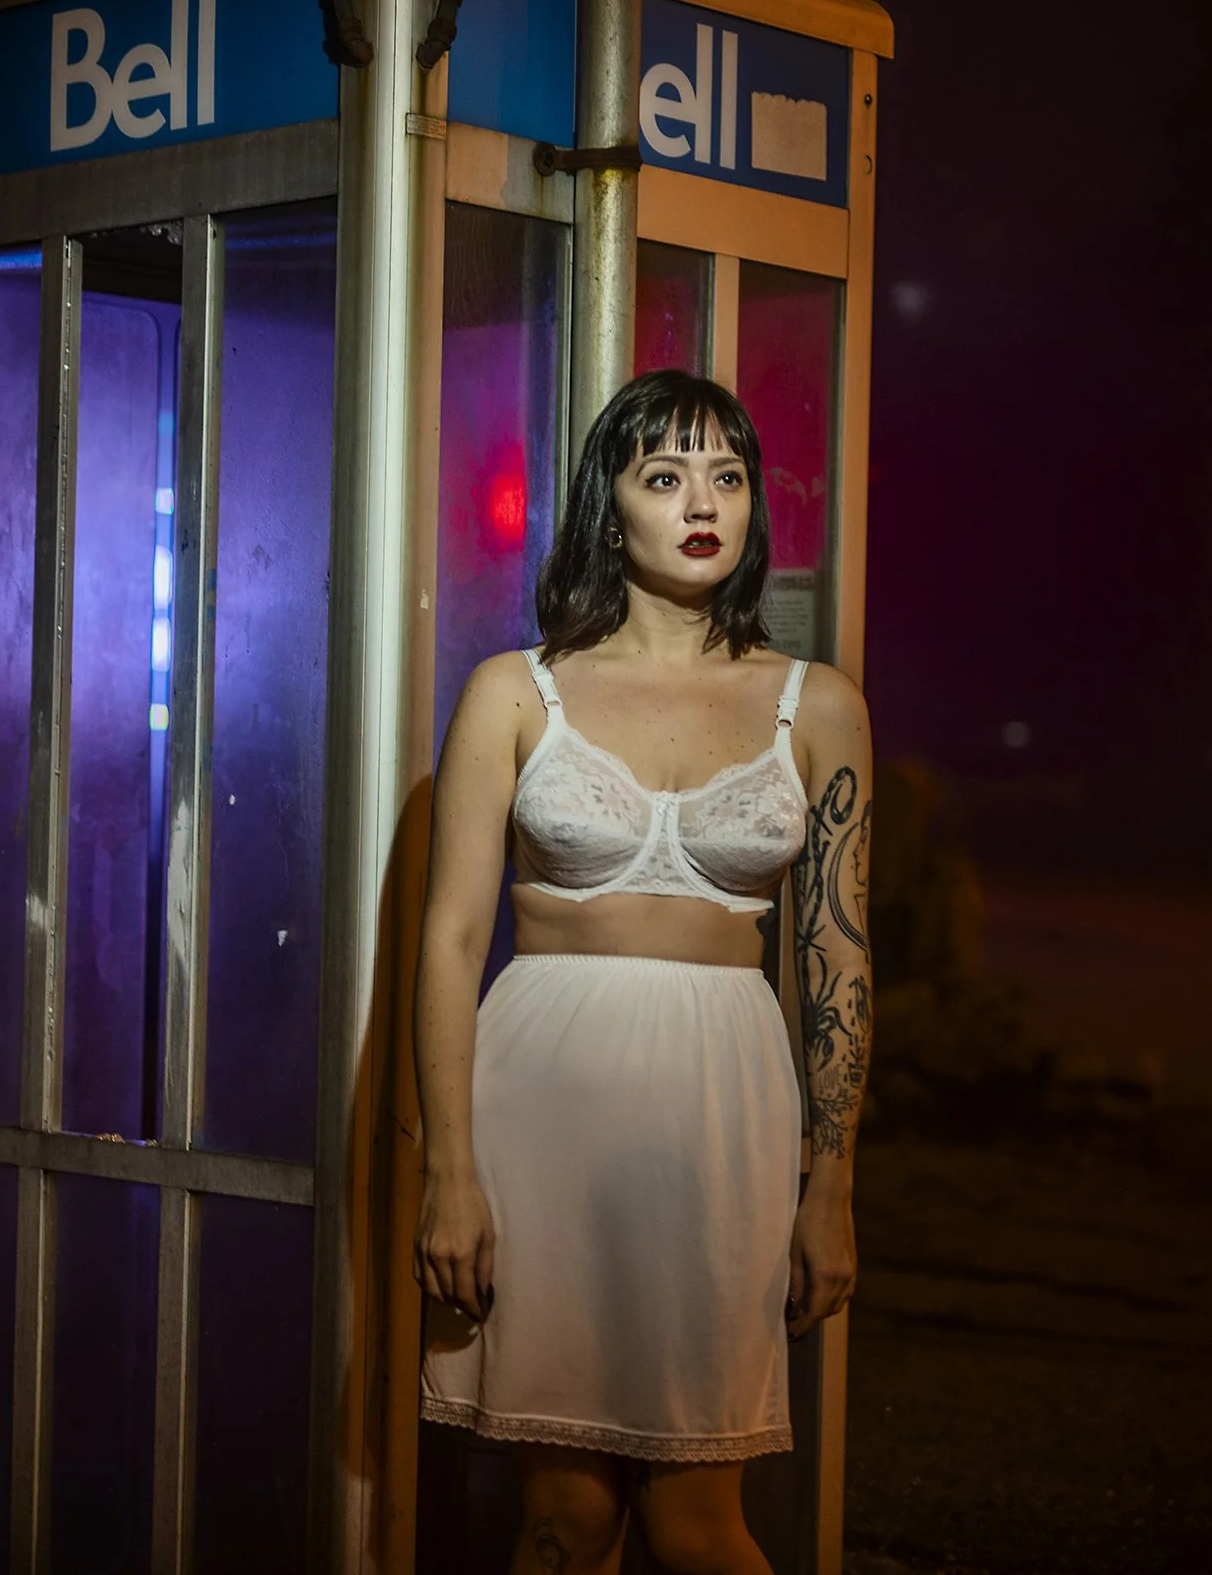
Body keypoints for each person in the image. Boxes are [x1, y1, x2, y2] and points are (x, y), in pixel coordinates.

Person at [414, 368, 874, 1574]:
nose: (698, 502)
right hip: (539, 1101)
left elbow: (835, 958)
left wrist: (828, 1188)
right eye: (662, 476)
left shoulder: (814, 705)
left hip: (721, 1111)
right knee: (563, 1519)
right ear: (606, 505)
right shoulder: (516, 691)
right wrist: (447, 1168)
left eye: (724, 475)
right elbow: (451, 942)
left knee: (695, 1520)